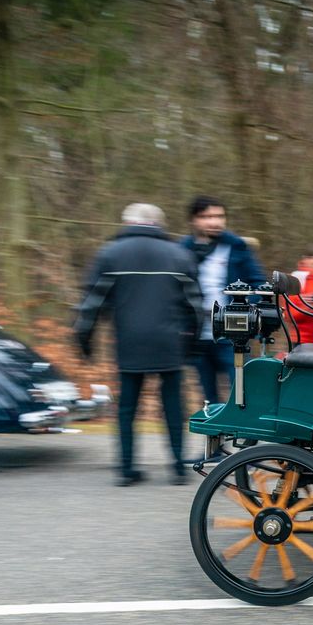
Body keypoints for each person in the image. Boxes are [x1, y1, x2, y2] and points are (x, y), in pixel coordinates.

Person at [74, 203, 202, 486]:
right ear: (159, 223)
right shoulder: (179, 255)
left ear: (128, 222)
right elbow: (195, 304)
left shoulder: (109, 254)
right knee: (172, 404)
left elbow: (91, 303)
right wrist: (192, 340)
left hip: (129, 340)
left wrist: (84, 339)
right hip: (169, 340)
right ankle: (177, 467)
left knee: (127, 407)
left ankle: (126, 469)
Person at [179, 195, 266, 404]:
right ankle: (215, 435)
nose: (215, 222)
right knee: (208, 396)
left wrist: (242, 309)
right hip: (197, 334)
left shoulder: (237, 247)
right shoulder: (181, 250)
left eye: (219, 216)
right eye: (207, 216)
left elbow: (260, 286)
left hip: (233, 334)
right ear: (194, 220)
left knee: (242, 391)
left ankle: (242, 433)